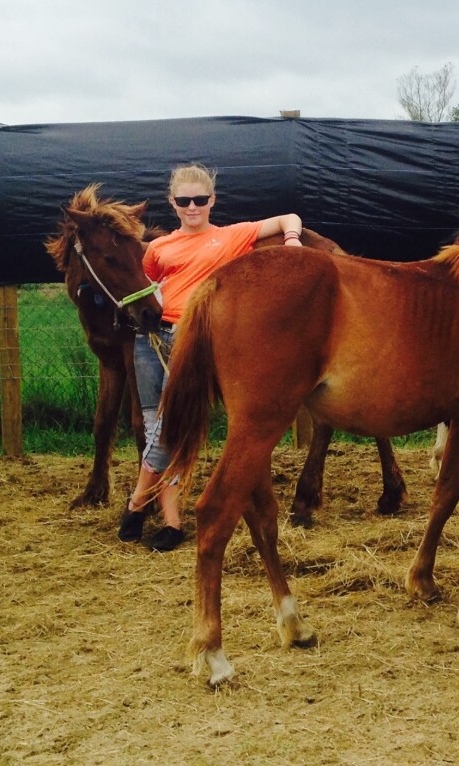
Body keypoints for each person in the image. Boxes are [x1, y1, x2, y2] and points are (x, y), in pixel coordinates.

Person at [120, 163, 305, 551]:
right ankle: (171, 523)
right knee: (156, 425)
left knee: (169, 424)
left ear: (212, 201)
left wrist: (291, 240)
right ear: (173, 203)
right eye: (184, 201)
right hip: (151, 339)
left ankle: (136, 503)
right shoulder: (158, 248)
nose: (192, 207)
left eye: (200, 200)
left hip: (195, 340)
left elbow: (290, 216)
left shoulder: (232, 236)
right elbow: (148, 285)